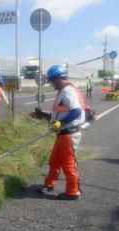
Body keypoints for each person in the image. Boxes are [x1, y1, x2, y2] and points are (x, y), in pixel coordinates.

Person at [38, 65, 86, 200]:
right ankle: (49, 184)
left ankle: (73, 192)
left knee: (68, 164)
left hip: (69, 134)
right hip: (62, 134)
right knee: (55, 160)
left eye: (52, 81)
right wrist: (48, 116)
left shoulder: (68, 91)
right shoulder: (65, 90)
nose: (52, 84)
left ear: (58, 78)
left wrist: (61, 123)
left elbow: (76, 111)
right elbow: (62, 111)